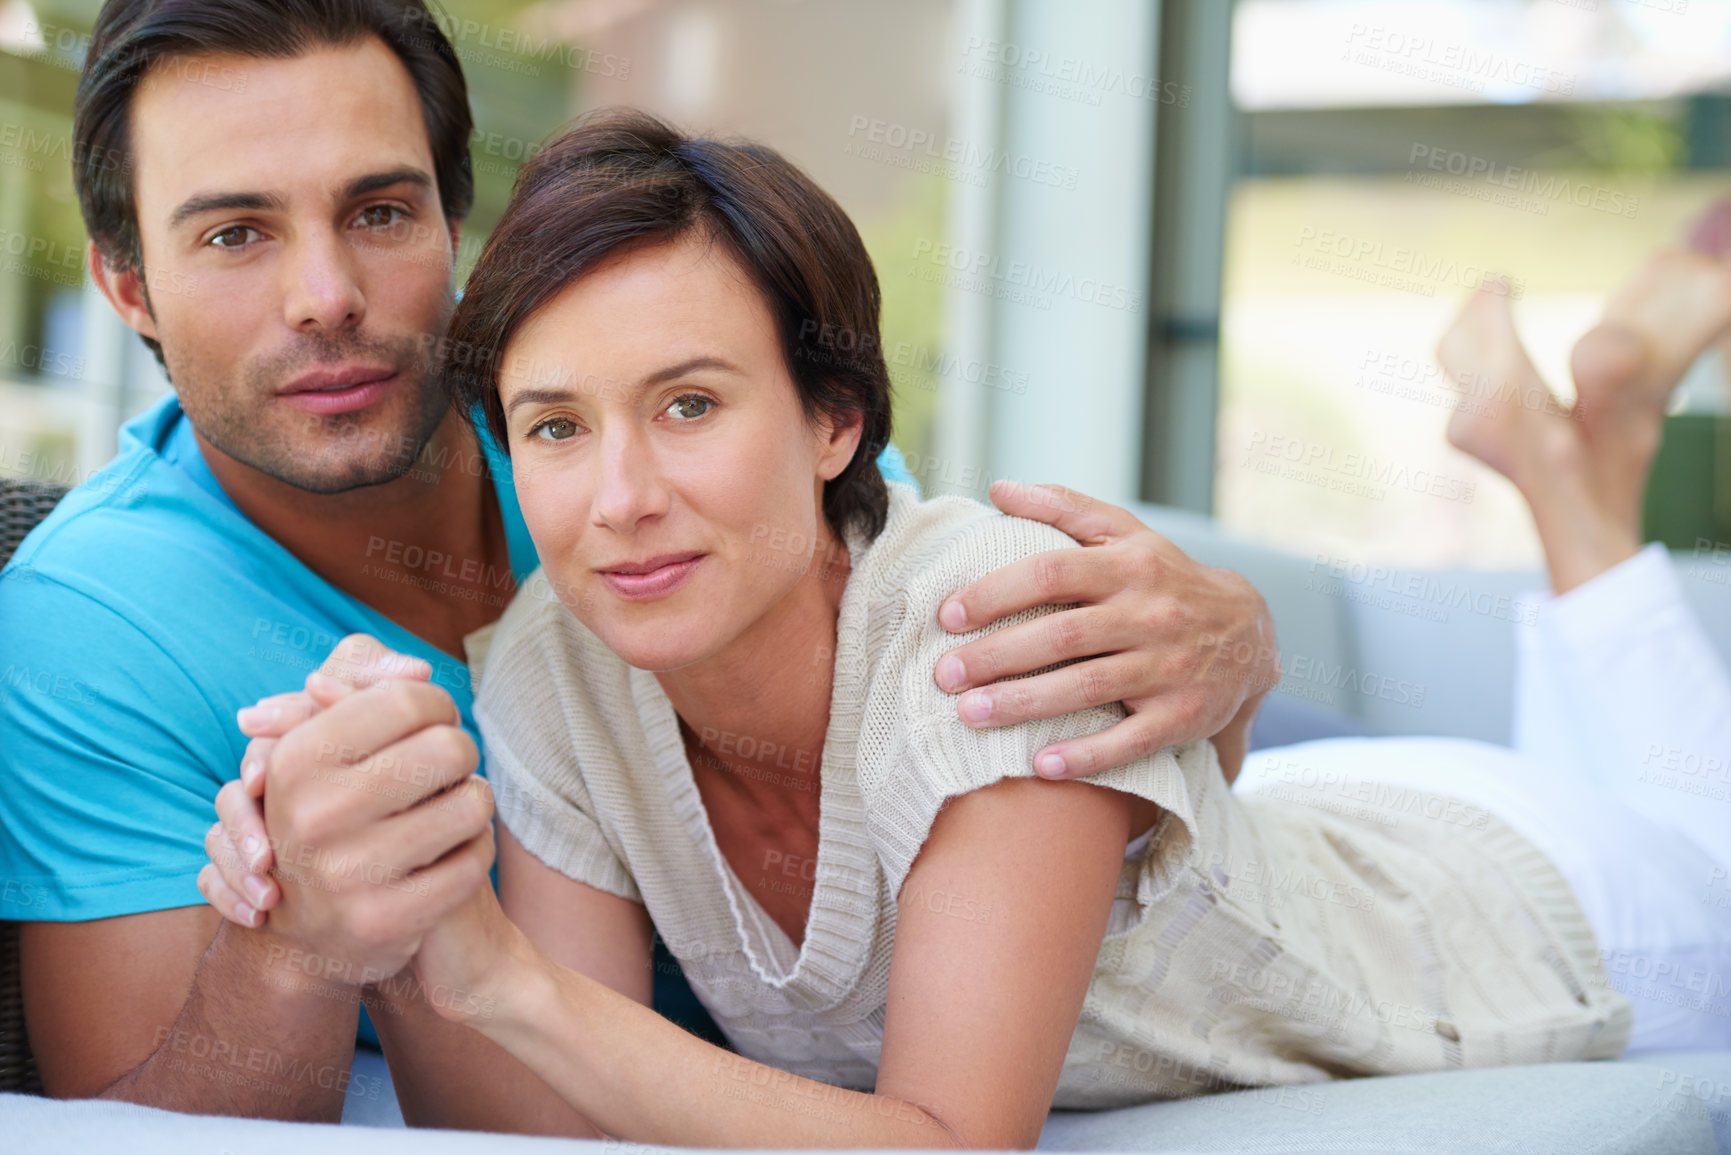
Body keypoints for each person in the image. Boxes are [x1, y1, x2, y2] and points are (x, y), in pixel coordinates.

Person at [201, 110, 1729, 1149]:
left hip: (1525, 909)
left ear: (831, 418)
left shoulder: (984, 622)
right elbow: (559, 1124)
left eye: (688, 403)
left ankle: (1569, 481)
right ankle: (1569, 464)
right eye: (552, 425)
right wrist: (392, 921)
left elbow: (944, 1137)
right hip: (1305, 835)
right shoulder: (550, 659)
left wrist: (497, 976)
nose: (618, 499)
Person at [0, 0, 1280, 1121]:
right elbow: (138, 1120)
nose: (325, 294)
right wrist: (298, 951)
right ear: (126, 287)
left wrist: (1236, 655)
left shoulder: (606, 391)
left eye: (380, 211)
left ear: (455, 221)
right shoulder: (85, 624)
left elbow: (975, 689)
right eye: (235, 235)